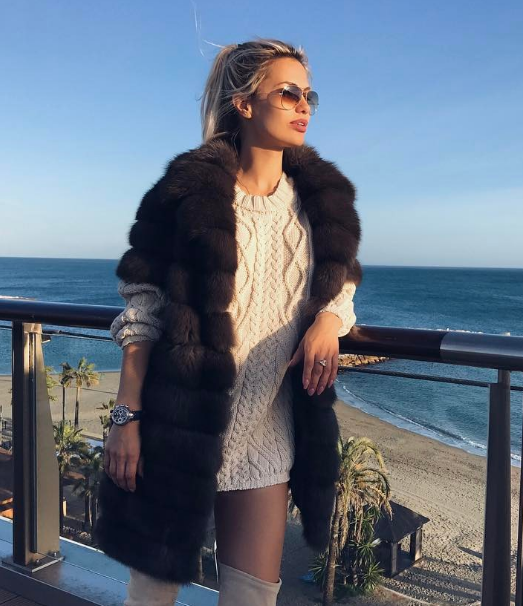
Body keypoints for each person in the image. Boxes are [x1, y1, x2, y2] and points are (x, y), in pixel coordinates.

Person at [98, 38, 361, 606]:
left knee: (251, 598)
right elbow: (142, 312)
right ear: (243, 103)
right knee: (150, 597)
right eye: (287, 93)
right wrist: (126, 418)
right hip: (177, 426)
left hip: (268, 432)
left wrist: (329, 321)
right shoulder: (185, 193)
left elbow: (342, 282)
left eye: (309, 95)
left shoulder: (325, 204)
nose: (303, 106)